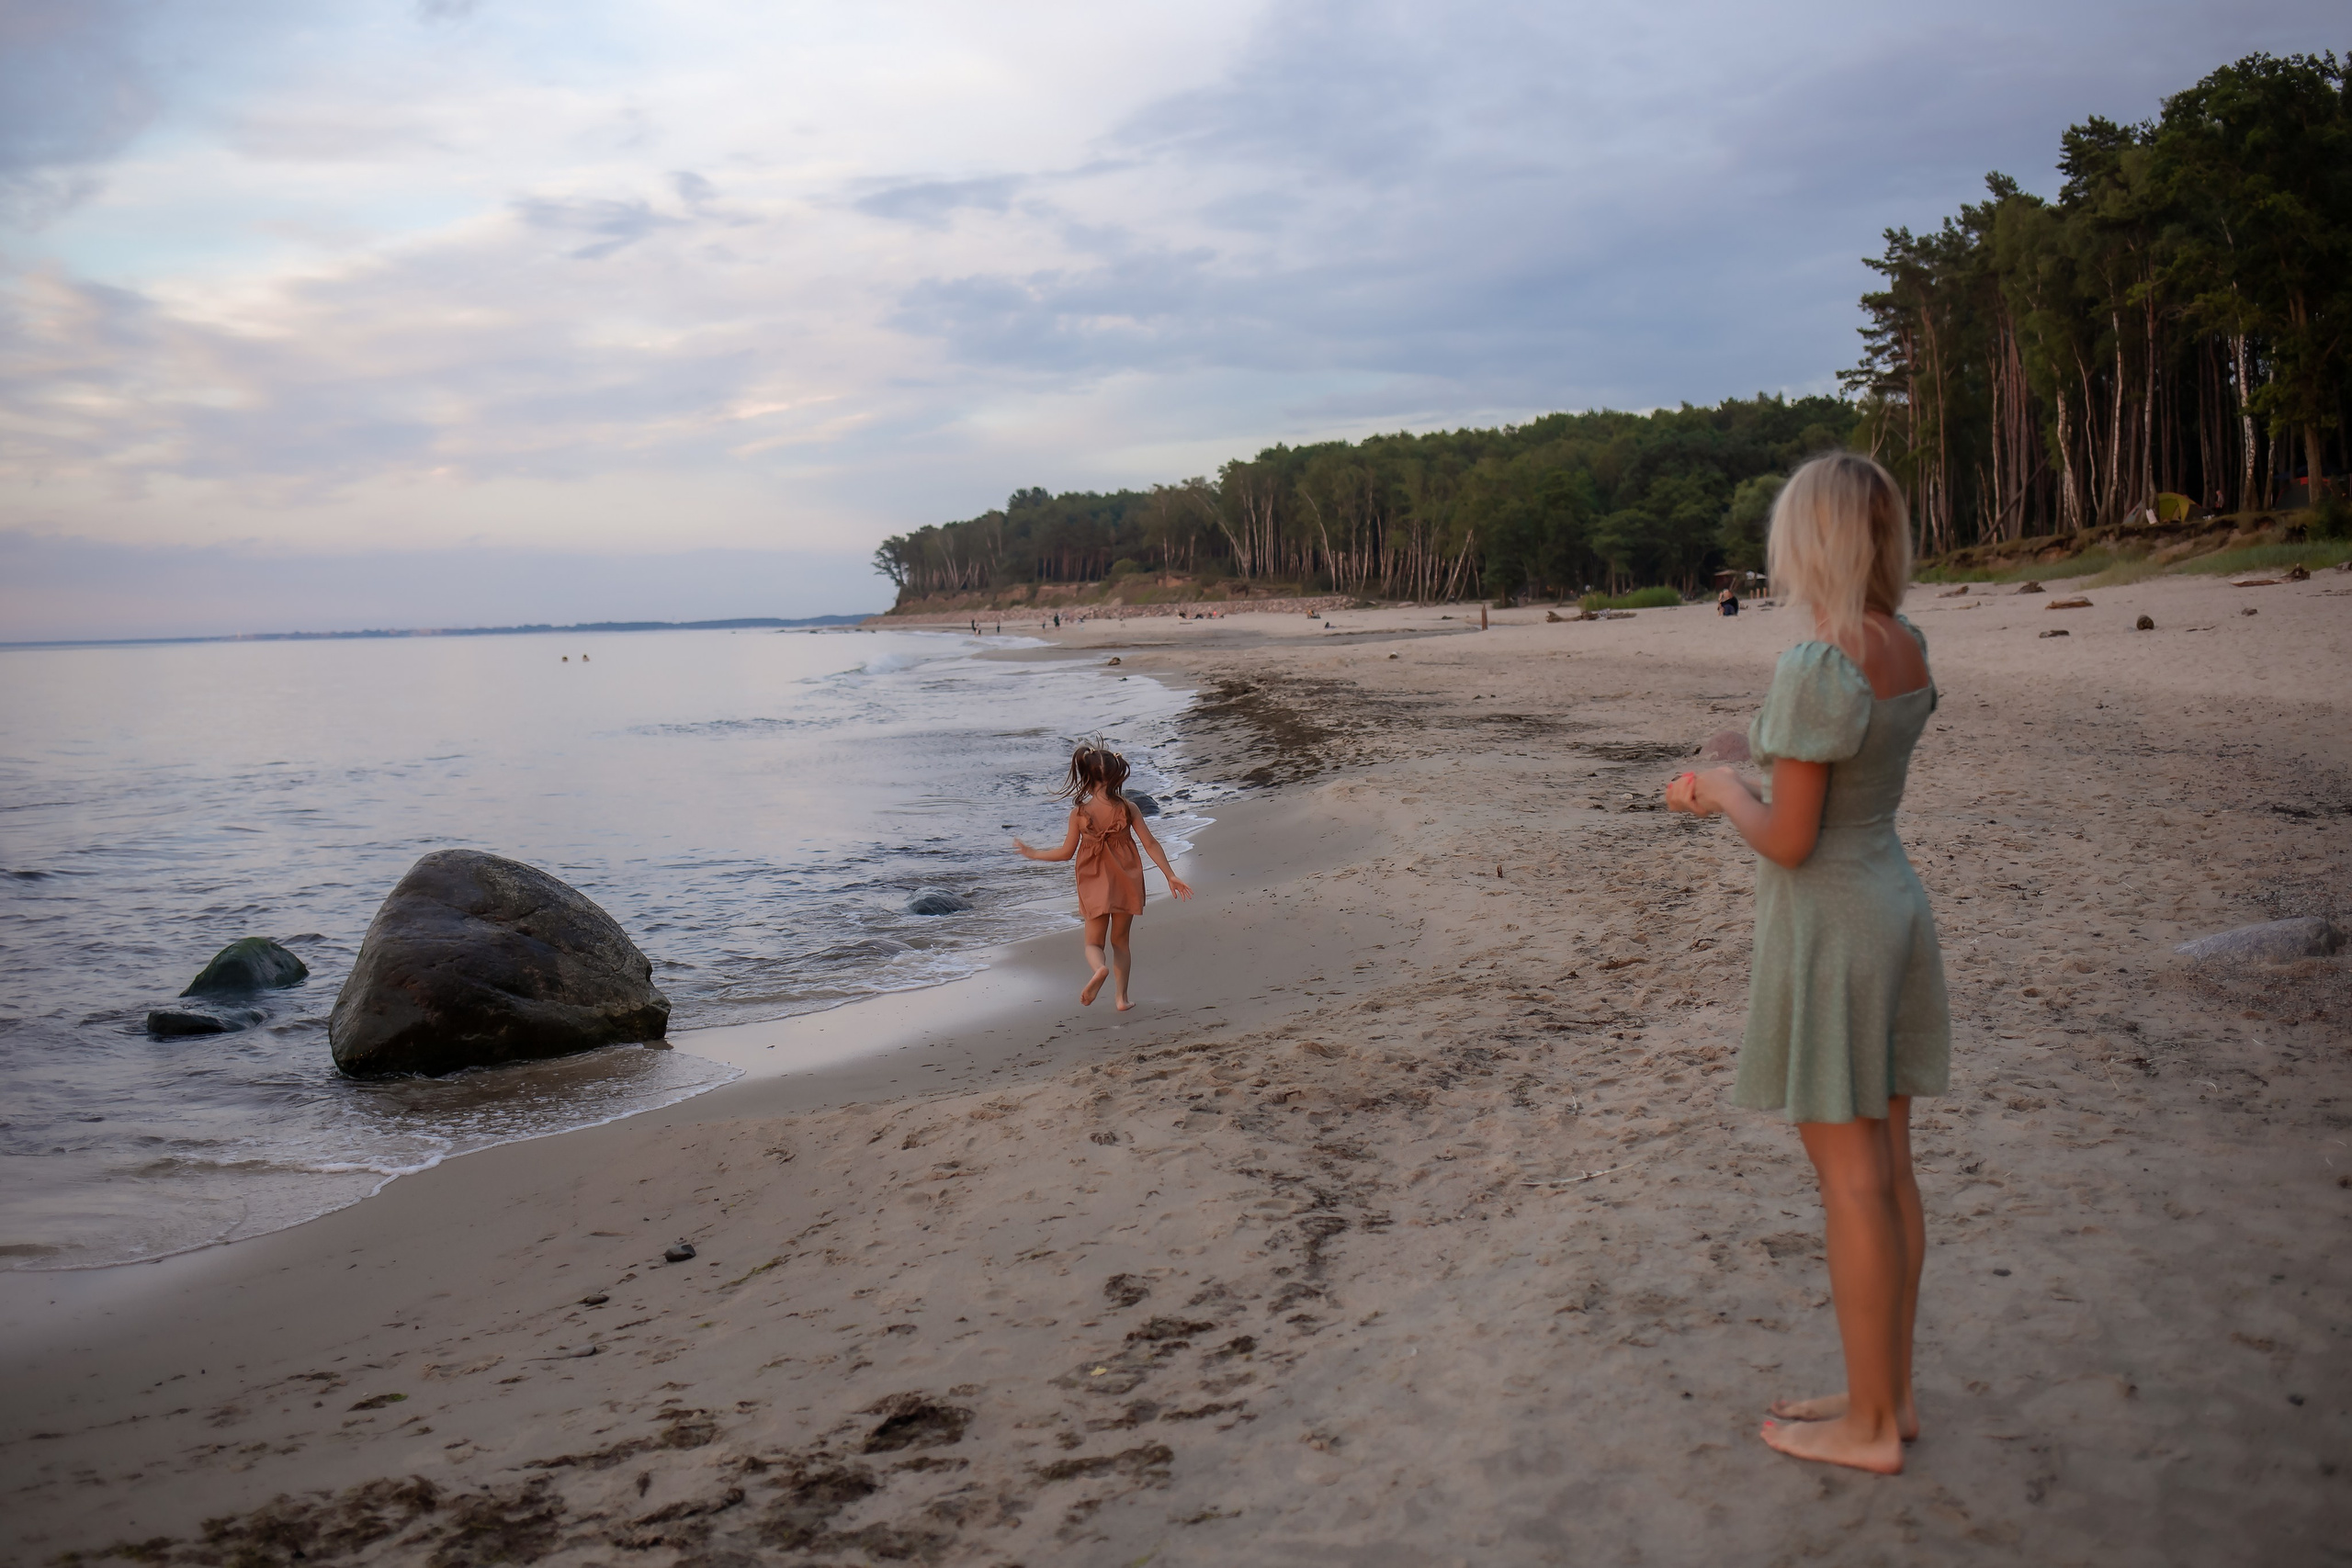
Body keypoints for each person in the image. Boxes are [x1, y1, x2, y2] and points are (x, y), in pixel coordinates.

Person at [1665, 452, 1951, 1476]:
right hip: (1890, 905)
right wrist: (1750, 749)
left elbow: (1786, 837)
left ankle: (1870, 1429)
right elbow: (1841, 759)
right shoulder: (1901, 644)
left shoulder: (1817, 661)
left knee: (1851, 1183)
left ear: (1808, 542)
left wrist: (1713, 790)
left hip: (1831, 926)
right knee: (1890, 1171)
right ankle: (1888, 1394)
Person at [1013, 739, 1193, 1010]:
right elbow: (1150, 844)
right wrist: (1170, 875)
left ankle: (1099, 969)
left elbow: (1065, 853)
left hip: (1093, 881)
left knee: (1093, 943)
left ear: (1085, 776)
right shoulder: (1128, 808)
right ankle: (1121, 999)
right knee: (1120, 942)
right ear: (1117, 774)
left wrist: (1033, 852)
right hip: (1126, 879)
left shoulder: (1079, 813)